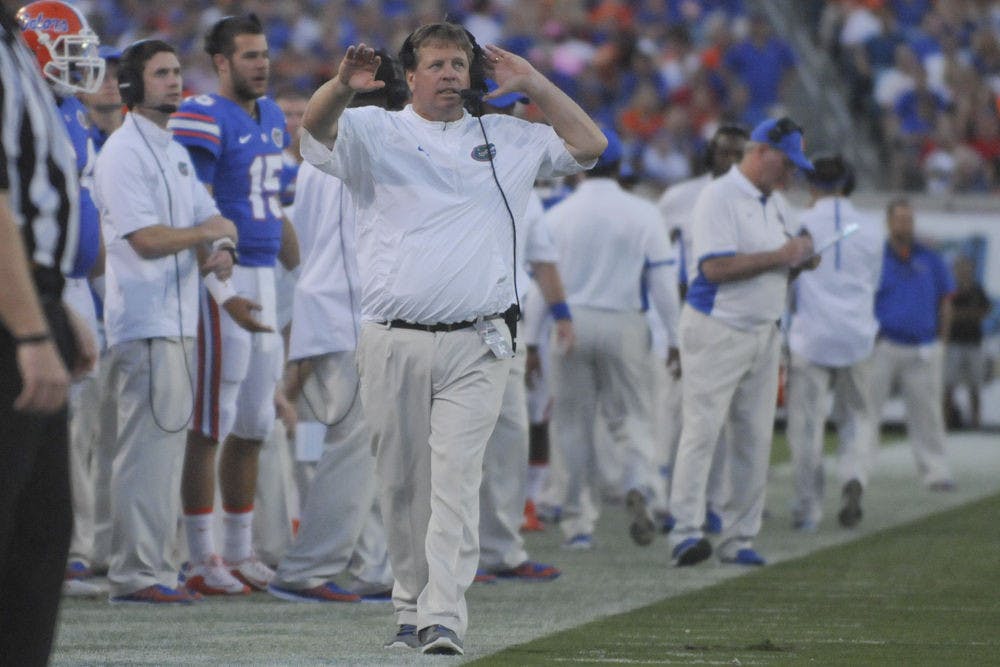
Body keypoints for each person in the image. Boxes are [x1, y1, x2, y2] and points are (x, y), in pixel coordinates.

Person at [299, 22, 606, 654]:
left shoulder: (510, 136)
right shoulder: (372, 128)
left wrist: (535, 83)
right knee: (402, 484)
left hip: (479, 339)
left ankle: (444, 615)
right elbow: (312, 133)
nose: (448, 74)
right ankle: (411, 610)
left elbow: (590, 143)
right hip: (391, 338)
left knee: (456, 481)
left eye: (458, 64)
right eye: (435, 64)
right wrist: (339, 86)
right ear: (409, 76)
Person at [93, 38, 238, 604]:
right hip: (147, 319)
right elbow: (146, 240)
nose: (175, 82)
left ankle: (156, 563)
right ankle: (135, 573)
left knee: (163, 450)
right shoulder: (124, 152)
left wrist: (220, 243)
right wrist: (208, 237)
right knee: (145, 454)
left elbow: (214, 216)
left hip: (178, 320)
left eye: (177, 71)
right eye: (161, 73)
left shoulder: (172, 148)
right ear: (131, 86)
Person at [266, 52, 407, 605]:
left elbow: (298, 242)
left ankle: (376, 565)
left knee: (366, 449)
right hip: (350, 316)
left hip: (326, 307)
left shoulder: (318, 154)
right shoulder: (372, 145)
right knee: (354, 448)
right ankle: (307, 568)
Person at [169, 13, 299, 596]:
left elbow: (277, 207)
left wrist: (307, 273)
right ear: (221, 63)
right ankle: (200, 557)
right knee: (211, 421)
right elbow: (188, 199)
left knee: (254, 422)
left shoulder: (272, 116)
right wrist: (218, 284)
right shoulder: (202, 113)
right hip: (224, 272)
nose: (261, 64)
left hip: (265, 270)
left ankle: (240, 550)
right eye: (248, 55)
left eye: (264, 53)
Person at [668, 116, 816, 568]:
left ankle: (739, 536)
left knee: (754, 437)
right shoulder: (719, 196)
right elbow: (714, 268)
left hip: (764, 328)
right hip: (718, 326)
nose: (791, 173)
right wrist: (782, 256)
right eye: (786, 163)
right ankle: (686, 531)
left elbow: (787, 250)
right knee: (702, 429)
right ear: (760, 152)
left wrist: (801, 257)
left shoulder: (774, 202)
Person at [0, 1, 93, 660]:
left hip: (35, 301)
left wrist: (56, 310)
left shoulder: (14, 49)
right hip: (12, 318)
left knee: (41, 526)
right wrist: (33, 330)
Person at [543, 126, 680, 551]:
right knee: (634, 418)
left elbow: (539, 283)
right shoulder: (643, 213)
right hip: (624, 320)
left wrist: (530, 342)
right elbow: (662, 283)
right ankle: (639, 485)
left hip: (570, 321)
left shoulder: (558, 214)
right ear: (623, 168)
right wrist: (675, 338)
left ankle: (578, 524)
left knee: (572, 427)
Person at [16, 0, 107, 597]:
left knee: (80, 433)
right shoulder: (23, 108)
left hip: (71, 287)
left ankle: (70, 550)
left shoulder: (69, 112)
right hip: (30, 289)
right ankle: (63, 556)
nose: (83, 67)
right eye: (70, 52)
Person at [656, 124, 749, 535]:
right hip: (684, 312)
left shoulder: (757, 201)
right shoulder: (679, 197)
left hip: (732, 315)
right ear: (710, 153)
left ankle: (711, 502)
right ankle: (670, 501)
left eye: (738, 153)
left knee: (720, 417)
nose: (729, 160)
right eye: (723, 152)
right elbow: (659, 260)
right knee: (674, 416)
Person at [786, 155, 884, 532]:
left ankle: (808, 509)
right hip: (858, 335)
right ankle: (854, 477)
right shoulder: (872, 227)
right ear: (849, 183)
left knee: (807, 427)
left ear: (813, 185)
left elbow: (791, 281)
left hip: (811, 337)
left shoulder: (802, 223)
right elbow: (872, 284)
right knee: (857, 418)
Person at [871, 198, 956, 491]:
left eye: (909, 219)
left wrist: (941, 341)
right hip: (884, 345)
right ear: (889, 222)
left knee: (927, 414)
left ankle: (936, 471)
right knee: (868, 409)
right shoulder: (876, 257)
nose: (905, 224)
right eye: (900, 219)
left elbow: (945, 301)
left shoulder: (930, 258)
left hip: (923, 346)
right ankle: (858, 472)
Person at [943, 255, 991, 429]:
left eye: (967, 268)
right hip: (954, 343)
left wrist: (960, 314)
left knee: (975, 385)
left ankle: (976, 422)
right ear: (955, 270)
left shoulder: (978, 290)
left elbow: (985, 310)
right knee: (949, 385)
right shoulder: (950, 289)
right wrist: (969, 314)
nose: (964, 271)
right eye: (960, 268)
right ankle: (945, 423)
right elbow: (947, 312)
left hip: (974, 343)